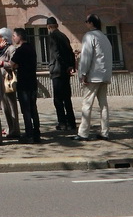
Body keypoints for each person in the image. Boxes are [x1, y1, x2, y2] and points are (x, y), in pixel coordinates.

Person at [77, 13, 113, 141]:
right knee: (103, 104)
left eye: (86, 21)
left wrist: (83, 73)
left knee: (87, 103)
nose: (85, 23)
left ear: (91, 23)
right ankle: (105, 132)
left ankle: (83, 132)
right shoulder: (104, 37)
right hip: (105, 74)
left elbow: (86, 57)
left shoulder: (89, 36)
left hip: (93, 75)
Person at [9, 28, 41, 143]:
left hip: (23, 82)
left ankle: (29, 135)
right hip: (32, 81)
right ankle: (36, 133)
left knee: (26, 110)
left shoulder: (20, 50)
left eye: (14, 36)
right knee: (33, 108)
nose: (13, 38)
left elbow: (12, 64)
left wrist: (2, 63)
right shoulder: (32, 48)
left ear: (19, 37)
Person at [46, 17, 77, 131]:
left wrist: (63, 65)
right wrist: (70, 66)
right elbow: (70, 52)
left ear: (48, 27)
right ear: (57, 25)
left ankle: (62, 122)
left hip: (57, 70)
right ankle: (71, 122)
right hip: (65, 71)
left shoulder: (52, 37)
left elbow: (56, 54)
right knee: (67, 98)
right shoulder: (64, 36)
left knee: (58, 99)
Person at [0, 27, 20, 139]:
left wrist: (2, 63)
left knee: (11, 105)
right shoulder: (1, 49)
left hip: (8, 80)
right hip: (0, 80)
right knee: (4, 106)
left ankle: (15, 129)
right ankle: (8, 127)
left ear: (5, 38)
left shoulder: (11, 49)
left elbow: (14, 64)